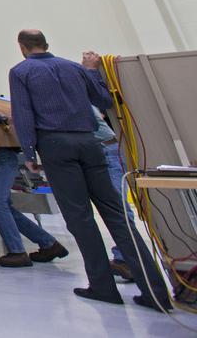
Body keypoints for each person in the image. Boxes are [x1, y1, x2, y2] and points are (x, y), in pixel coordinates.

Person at [9, 30, 172, 311]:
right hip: (90, 143)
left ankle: (102, 286)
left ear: (22, 47)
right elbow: (104, 100)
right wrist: (92, 72)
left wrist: (29, 153)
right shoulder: (75, 68)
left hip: (56, 146)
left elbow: (23, 114)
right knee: (117, 216)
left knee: (80, 218)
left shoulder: (21, 71)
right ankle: (156, 292)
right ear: (47, 45)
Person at [84, 51, 135, 282]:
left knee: (118, 206)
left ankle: (128, 259)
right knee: (116, 205)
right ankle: (127, 258)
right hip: (100, 150)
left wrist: (90, 70)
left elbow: (101, 99)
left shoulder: (80, 93)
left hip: (107, 150)